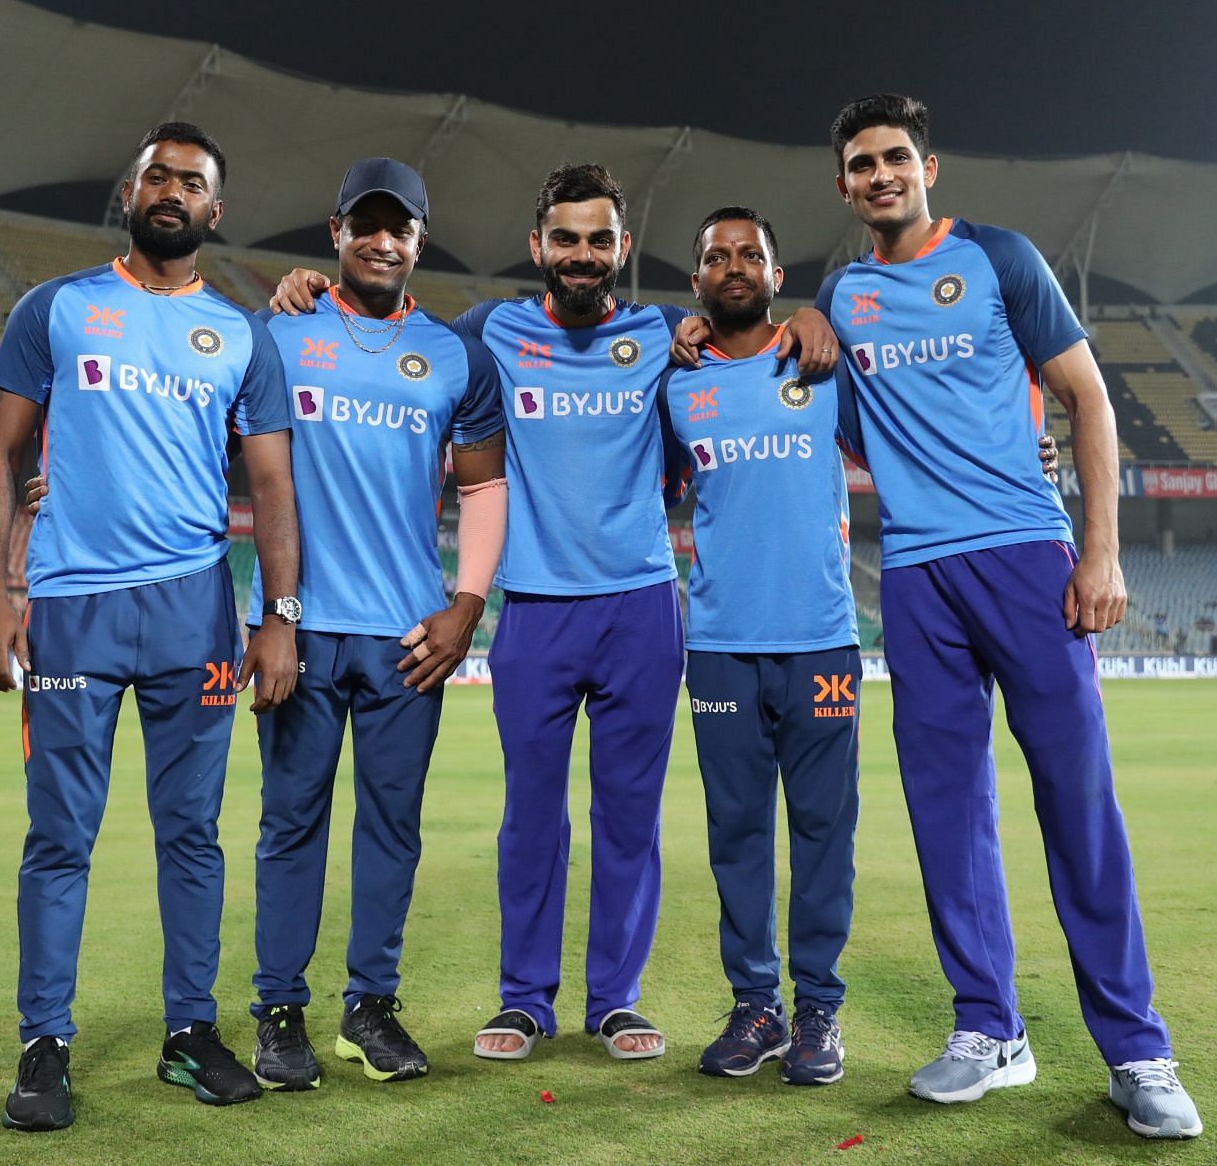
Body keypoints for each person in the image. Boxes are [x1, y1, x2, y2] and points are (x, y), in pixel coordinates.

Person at [682, 94, 1200, 1139]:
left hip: (1024, 558)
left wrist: (1099, 549)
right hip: (917, 579)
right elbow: (849, 420)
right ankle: (990, 1030)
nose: (880, 176)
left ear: (929, 166)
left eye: (894, 159)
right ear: (843, 185)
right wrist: (782, 320)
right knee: (948, 811)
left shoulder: (1002, 258)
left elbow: (1087, 398)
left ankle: (1139, 1048)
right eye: (861, 164)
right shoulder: (843, 295)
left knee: (1076, 799)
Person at [269, 165, 838, 1063]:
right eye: (565, 238)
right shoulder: (485, 333)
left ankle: (614, 997)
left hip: (642, 606)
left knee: (629, 815)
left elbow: (739, 352)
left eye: (600, 239)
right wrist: (311, 290)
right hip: (532, 609)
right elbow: (389, 331)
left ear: (620, 251)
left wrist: (809, 314)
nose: (583, 254)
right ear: (538, 247)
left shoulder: (663, 336)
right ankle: (524, 998)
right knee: (531, 813)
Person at [27, 157, 509, 1091]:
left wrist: (465, 604)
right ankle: (279, 1014)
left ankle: (370, 1006)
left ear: (417, 238)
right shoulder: (275, 330)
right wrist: (71, 486)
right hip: (301, 625)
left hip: (411, 631)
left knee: (392, 827)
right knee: (288, 823)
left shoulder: (456, 354)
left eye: (399, 226)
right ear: (335, 233)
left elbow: (485, 485)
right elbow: (181, 427)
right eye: (364, 224)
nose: (382, 240)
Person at [0, 121, 300, 1130]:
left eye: (193, 181)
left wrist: (280, 615)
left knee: (191, 832)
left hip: (195, 605)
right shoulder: (56, 308)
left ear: (216, 210)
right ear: (130, 190)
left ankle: (189, 1034)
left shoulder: (242, 335)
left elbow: (275, 486)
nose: (173, 190)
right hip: (72, 605)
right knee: (60, 834)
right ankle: (44, 1043)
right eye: (159, 173)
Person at [657, 207, 864, 1087]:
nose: (733, 265)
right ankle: (756, 1006)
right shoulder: (676, 382)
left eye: (750, 254)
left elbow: (916, 436)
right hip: (720, 646)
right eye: (716, 256)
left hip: (822, 640)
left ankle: (817, 1007)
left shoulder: (825, 361)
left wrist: (822, 318)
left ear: (778, 274)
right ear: (696, 281)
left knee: (824, 832)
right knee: (737, 833)